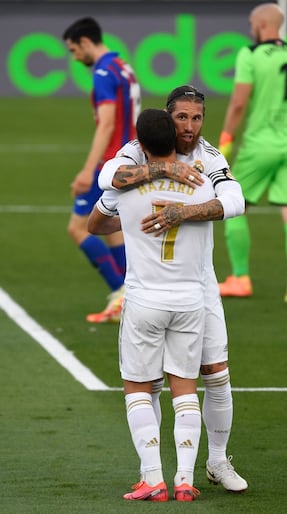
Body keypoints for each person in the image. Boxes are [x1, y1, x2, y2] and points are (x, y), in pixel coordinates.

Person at [98, 85, 249, 493]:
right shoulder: (138, 150)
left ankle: (216, 463)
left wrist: (184, 212)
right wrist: (162, 170)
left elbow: (236, 201)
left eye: (197, 118)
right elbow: (107, 176)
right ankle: (162, 472)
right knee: (160, 384)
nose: (190, 126)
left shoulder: (209, 156)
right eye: (182, 117)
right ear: (168, 117)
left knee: (216, 374)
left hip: (199, 286)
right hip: (174, 290)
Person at [218, 3, 287, 304]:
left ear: (260, 24)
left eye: (251, 23)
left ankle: (240, 277)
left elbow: (238, 103)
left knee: (234, 204)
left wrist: (225, 140)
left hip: (260, 143)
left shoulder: (251, 54)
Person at [62, 17, 140, 323]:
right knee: (114, 229)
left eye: (73, 50)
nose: (74, 57)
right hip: (129, 158)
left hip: (109, 162)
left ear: (85, 42)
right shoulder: (124, 66)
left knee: (78, 228)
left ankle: (120, 292)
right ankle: (128, 297)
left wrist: (87, 171)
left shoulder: (104, 72)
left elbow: (107, 123)